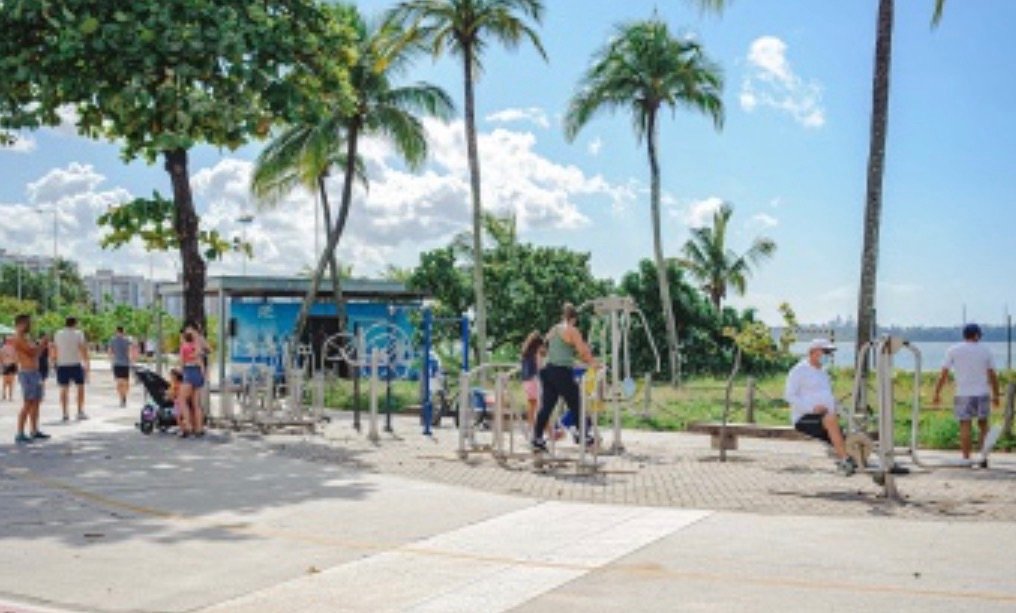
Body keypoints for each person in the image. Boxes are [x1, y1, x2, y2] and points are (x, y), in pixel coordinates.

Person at [531, 303, 598, 453]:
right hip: (560, 371)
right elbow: (582, 351)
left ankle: (537, 438)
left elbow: (541, 349)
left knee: (547, 406)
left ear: (563, 316)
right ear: (574, 318)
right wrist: (594, 363)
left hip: (547, 371)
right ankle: (583, 436)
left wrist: (541, 366)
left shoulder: (554, 329)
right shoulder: (571, 330)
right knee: (577, 402)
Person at [784, 339, 855, 475]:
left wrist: (839, 410)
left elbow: (827, 396)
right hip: (804, 418)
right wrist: (812, 408)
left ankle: (851, 460)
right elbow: (789, 395)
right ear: (814, 352)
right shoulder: (799, 370)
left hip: (826, 418)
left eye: (830, 352)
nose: (829, 355)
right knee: (831, 420)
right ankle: (845, 460)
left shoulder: (823, 373)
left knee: (848, 434)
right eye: (826, 351)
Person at [933, 323, 1000, 463]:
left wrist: (937, 393)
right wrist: (996, 395)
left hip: (963, 393)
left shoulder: (953, 350)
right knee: (983, 425)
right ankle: (983, 457)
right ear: (977, 335)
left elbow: (943, 374)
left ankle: (966, 457)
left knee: (965, 425)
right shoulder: (986, 350)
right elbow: (992, 374)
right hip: (982, 392)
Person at [11, 314, 49, 444]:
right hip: (27, 373)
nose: (30, 326)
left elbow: (36, 354)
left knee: (36, 402)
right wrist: (42, 344)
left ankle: (34, 430)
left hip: (34, 372)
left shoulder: (26, 338)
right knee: (28, 402)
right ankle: (20, 433)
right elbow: (32, 353)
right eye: (28, 323)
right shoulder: (18, 338)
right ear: (20, 324)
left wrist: (42, 345)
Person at [53, 316, 90, 421]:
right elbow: (82, 349)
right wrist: (87, 363)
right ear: (75, 323)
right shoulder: (78, 333)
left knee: (64, 390)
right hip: (75, 363)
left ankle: (65, 413)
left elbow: (55, 348)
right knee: (80, 388)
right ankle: (80, 411)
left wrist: (54, 361)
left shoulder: (58, 333)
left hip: (62, 364)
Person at [178, 328, 206, 437]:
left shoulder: (183, 347)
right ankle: (199, 428)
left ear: (183, 337)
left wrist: (181, 373)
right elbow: (201, 364)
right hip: (198, 373)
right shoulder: (197, 348)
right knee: (196, 403)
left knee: (182, 400)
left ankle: (188, 426)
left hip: (189, 373)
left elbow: (181, 364)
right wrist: (203, 377)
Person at [108, 326, 135, 407]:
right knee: (126, 382)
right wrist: (132, 361)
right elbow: (130, 351)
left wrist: (111, 361)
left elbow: (110, 352)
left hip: (117, 364)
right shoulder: (127, 340)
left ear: (116, 331)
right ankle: (124, 397)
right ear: (123, 331)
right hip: (125, 364)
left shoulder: (112, 340)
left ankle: (121, 398)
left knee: (119, 383)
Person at [1, 337, 16, 401]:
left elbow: (0, 358)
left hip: (7, 365)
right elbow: (16, 358)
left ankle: (6, 395)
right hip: (10, 365)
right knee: (9, 382)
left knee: (6, 381)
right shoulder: (13, 349)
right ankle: (8, 395)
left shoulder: (2, 348)